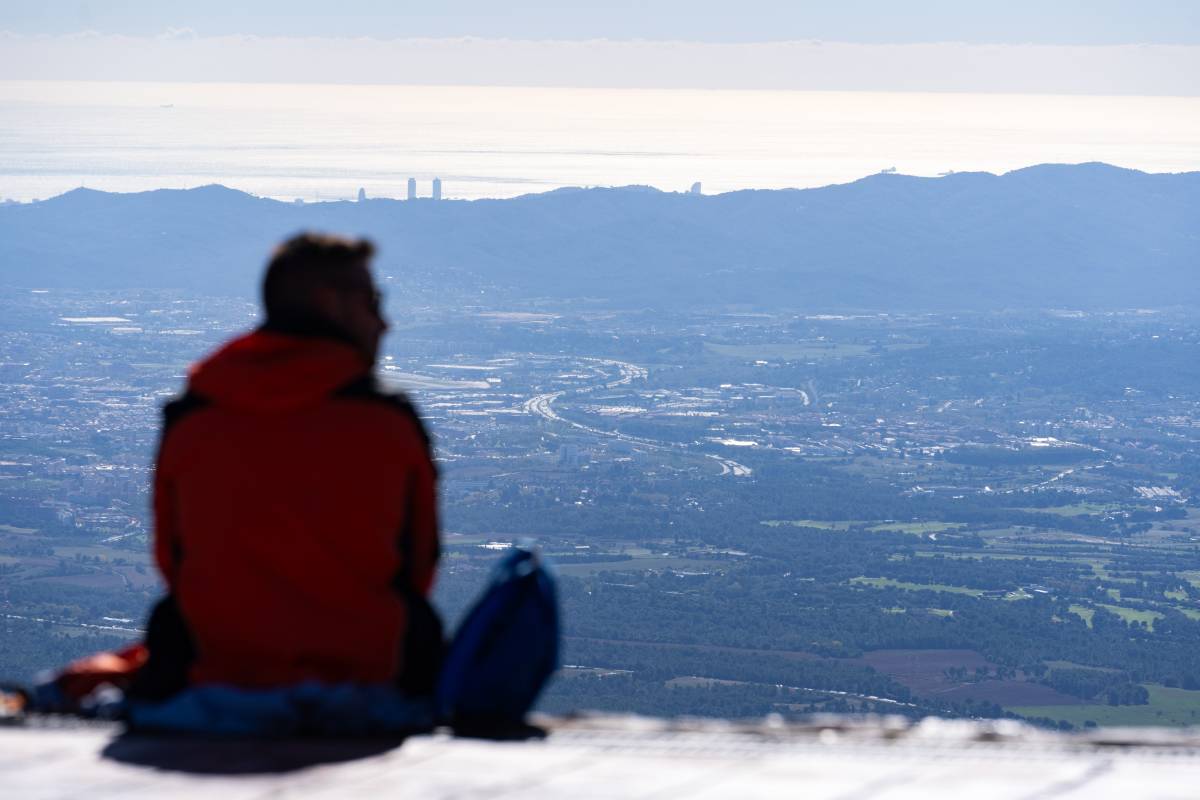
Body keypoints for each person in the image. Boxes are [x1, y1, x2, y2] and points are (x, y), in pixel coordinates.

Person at [131, 232, 443, 702]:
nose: (385, 322)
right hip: (367, 672)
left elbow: (172, 560)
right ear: (330, 304)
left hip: (214, 668)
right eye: (373, 302)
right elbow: (420, 562)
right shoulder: (385, 421)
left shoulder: (195, 413)